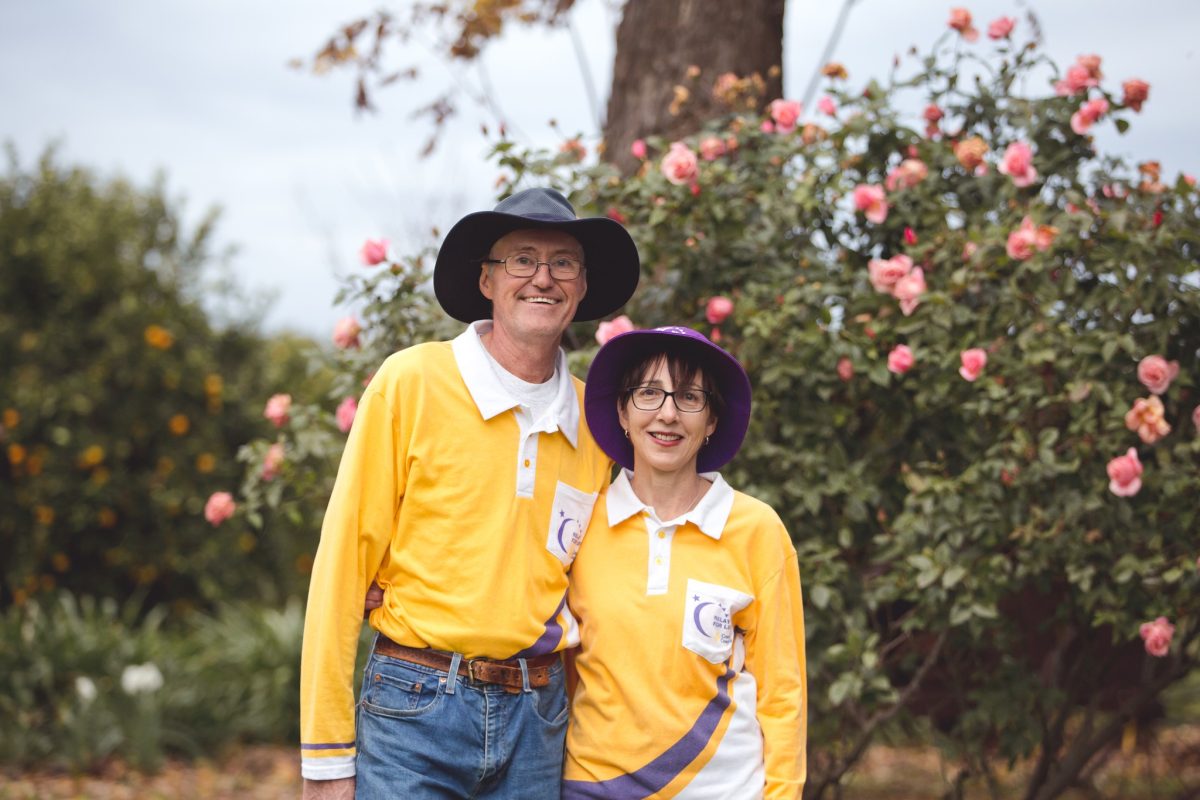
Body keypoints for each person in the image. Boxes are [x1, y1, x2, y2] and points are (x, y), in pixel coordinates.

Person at [299, 187, 640, 799]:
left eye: (563, 262)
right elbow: (342, 566)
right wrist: (326, 758)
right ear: (486, 280)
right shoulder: (412, 382)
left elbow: (593, 594)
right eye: (521, 259)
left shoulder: (597, 424)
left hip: (539, 724)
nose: (543, 277)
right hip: (415, 710)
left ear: (583, 286)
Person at [563, 325, 807, 799]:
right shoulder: (582, 525)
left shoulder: (756, 529)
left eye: (690, 397)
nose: (668, 415)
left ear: (712, 420)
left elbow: (783, 693)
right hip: (593, 786)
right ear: (622, 411)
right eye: (649, 393)